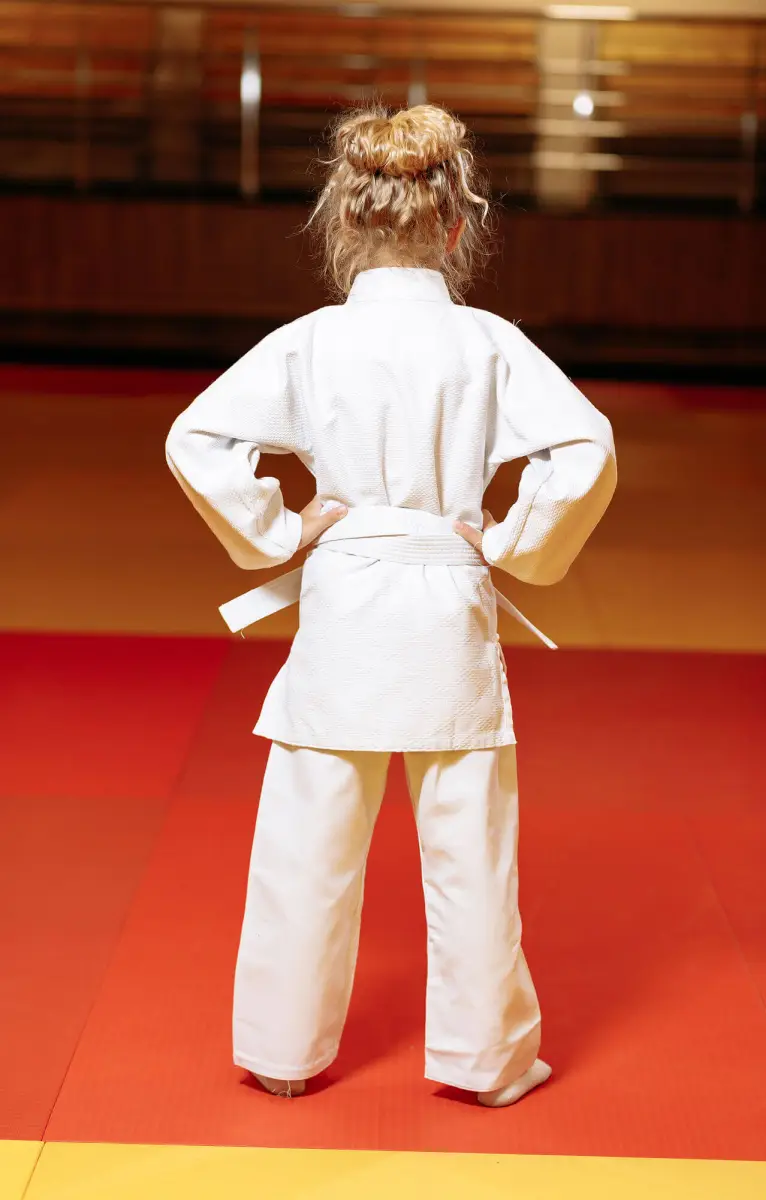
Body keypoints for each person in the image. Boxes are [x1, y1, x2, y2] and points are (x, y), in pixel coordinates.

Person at [165, 104, 616, 1108]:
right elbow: (586, 451)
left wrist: (280, 527)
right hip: (445, 606)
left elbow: (195, 438)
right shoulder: (487, 344)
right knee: (469, 850)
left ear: (343, 220)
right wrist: (508, 540)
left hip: (346, 610)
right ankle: (486, 1062)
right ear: (456, 226)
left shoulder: (312, 342)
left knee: (307, 844)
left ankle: (282, 1053)